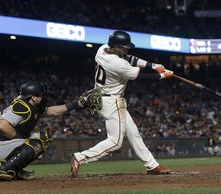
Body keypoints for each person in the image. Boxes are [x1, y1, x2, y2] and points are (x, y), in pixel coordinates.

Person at [70, 30, 173, 177]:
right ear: (117, 47)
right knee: (115, 141)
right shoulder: (117, 63)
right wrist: (162, 76)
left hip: (103, 97)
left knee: (133, 133)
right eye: (124, 47)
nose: (127, 49)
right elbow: (138, 77)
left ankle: (152, 165)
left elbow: (129, 58)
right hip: (112, 101)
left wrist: (153, 65)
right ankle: (80, 157)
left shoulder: (102, 49)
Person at [0, 81, 85, 181]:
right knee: (40, 139)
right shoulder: (21, 106)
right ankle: (4, 168)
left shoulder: (30, 107)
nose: (44, 98)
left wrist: (77, 105)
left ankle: (13, 169)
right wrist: (22, 141)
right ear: (34, 97)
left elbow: (52, 111)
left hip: (3, 145)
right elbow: (2, 126)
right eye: (41, 95)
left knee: (40, 138)